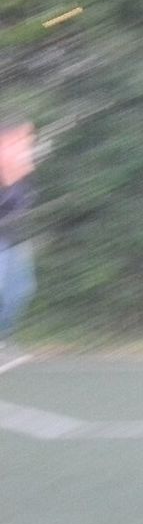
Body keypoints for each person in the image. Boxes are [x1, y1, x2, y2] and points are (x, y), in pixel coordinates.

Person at [0, 120, 37, 351]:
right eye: (20, 140)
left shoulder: (24, 175)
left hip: (16, 240)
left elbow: (23, 205)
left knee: (22, 290)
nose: (26, 146)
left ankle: (2, 339)